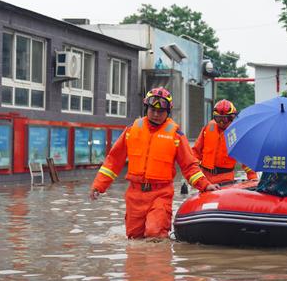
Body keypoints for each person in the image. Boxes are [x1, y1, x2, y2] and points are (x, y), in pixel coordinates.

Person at [89, 87, 218, 239]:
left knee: (154, 233)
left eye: (161, 111)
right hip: (135, 195)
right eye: (152, 110)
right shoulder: (131, 131)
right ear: (146, 108)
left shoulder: (176, 135)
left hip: (161, 194)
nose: (156, 114)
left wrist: (205, 185)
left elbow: (189, 166)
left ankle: (159, 262)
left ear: (168, 112)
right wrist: (99, 185)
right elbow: (113, 161)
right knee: (134, 239)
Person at [192, 99, 258, 185]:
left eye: (225, 119)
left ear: (232, 118)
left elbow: (246, 159)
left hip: (226, 178)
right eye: (218, 118)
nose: (221, 122)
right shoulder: (208, 128)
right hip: (205, 178)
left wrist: (253, 178)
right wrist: (194, 173)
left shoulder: (237, 133)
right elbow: (195, 152)